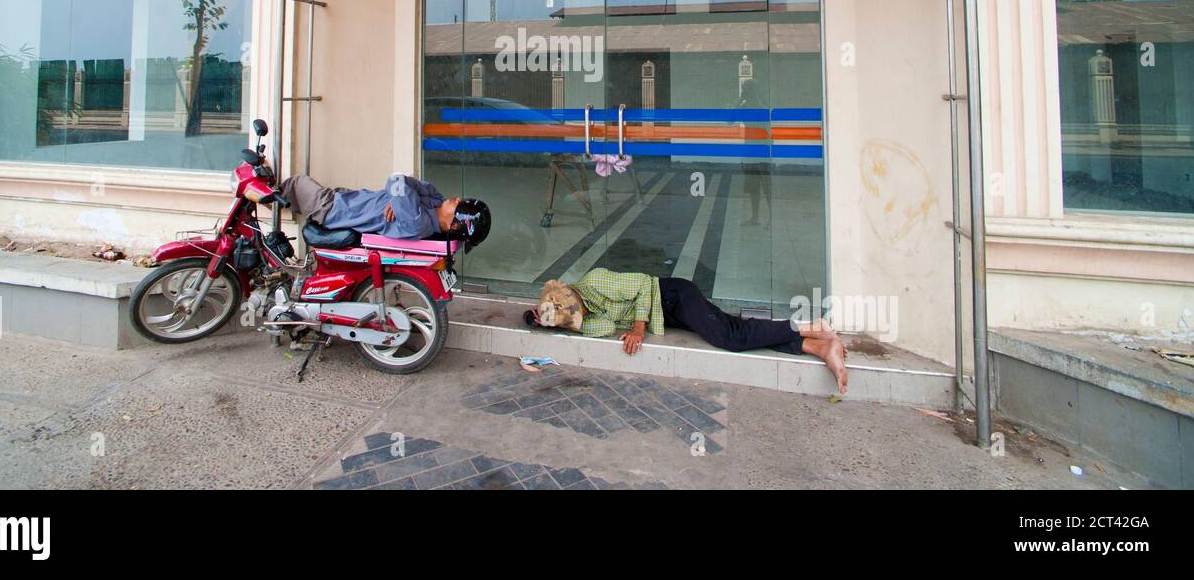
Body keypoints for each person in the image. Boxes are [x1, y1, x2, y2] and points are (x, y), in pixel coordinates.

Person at [530, 268, 847, 392]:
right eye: (576, 319)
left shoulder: (596, 281)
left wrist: (639, 329)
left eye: (578, 312)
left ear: (574, 295)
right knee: (737, 327)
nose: (581, 317)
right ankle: (817, 346)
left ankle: (810, 327)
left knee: (730, 338)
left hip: (674, 297)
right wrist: (551, 321)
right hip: (671, 315)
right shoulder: (587, 316)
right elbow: (605, 327)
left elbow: (643, 283)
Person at [279, 173, 491, 246]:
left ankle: (262, 200)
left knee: (297, 183)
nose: (458, 198)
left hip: (336, 210)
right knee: (293, 197)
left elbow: (395, 180)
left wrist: (400, 194)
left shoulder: (418, 222)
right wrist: (397, 197)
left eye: (459, 205)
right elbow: (408, 183)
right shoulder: (436, 200)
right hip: (348, 200)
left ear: (454, 223)